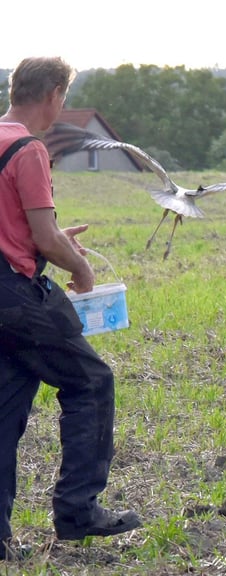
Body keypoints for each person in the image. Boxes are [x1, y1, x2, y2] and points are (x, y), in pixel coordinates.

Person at [0, 57, 140, 560]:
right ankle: (78, 511)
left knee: (5, 410)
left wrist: (58, 240)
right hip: (17, 296)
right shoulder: (29, 149)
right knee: (91, 381)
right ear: (55, 93)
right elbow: (40, 235)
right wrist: (77, 266)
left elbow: (21, 227)